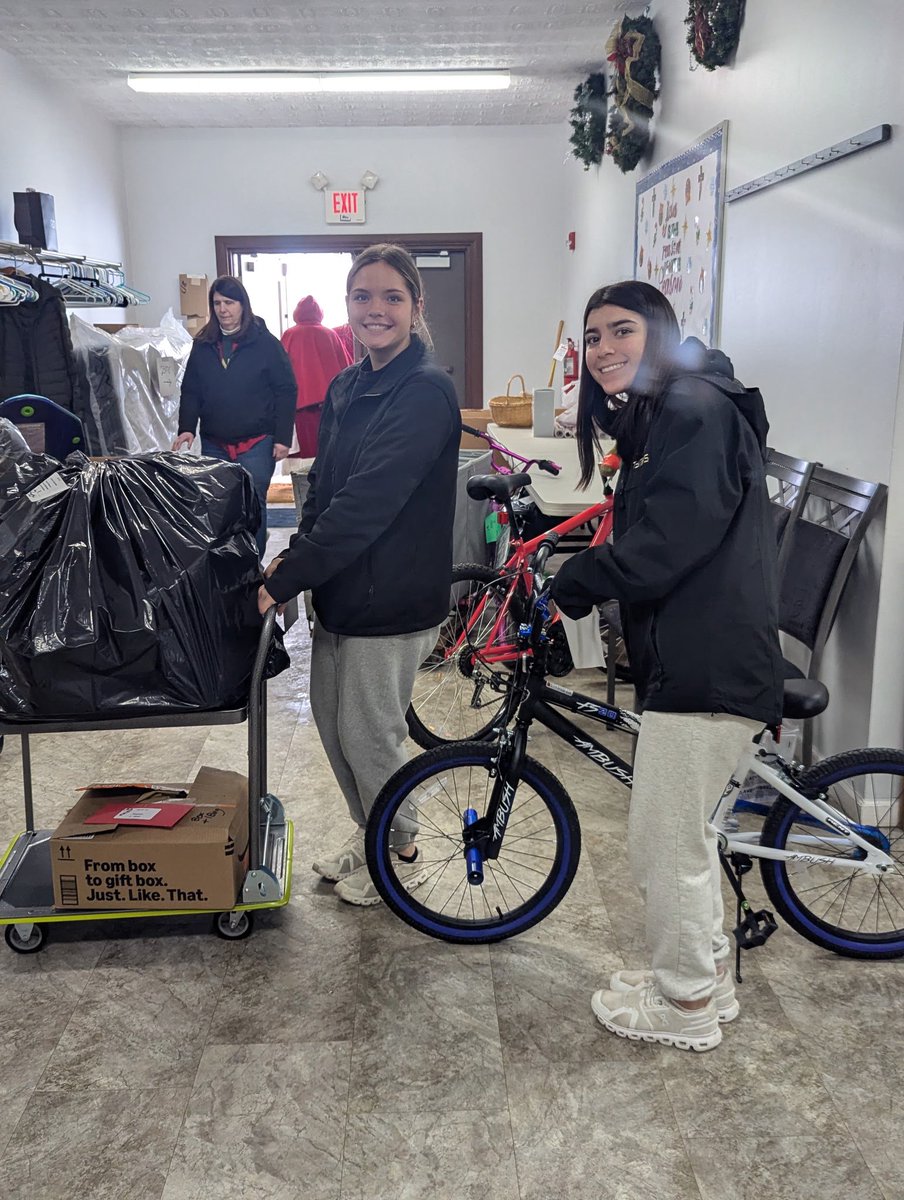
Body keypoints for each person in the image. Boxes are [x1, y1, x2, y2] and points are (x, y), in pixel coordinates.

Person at [549, 280, 783, 1052]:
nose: (604, 349)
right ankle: (703, 975)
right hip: (698, 650)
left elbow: (664, 548)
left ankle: (685, 1008)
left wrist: (576, 581)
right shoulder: (677, 406)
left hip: (708, 662)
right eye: (593, 337)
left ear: (660, 332)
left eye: (622, 331)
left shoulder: (693, 410)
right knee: (685, 835)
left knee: (665, 841)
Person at [258, 244, 461, 906]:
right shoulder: (349, 384)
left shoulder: (425, 390)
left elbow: (369, 503)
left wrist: (284, 580)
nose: (376, 309)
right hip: (343, 588)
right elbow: (324, 490)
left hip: (395, 596)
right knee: (333, 727)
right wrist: (294, 558)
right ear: (348, 307)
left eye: (391, 297)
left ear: (415, 308)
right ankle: (371, 831)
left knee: (371, 737)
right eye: (364, 297)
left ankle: (396, 851)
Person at [173, 275, 297, 557]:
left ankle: (253, 566)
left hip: (257, 442)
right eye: (217, 303)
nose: (222, 309)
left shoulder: (266, 344)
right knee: (219, 506)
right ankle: (228, 566)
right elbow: (191, 389)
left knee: (254, 505)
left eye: (229, 302)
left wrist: (282, 438)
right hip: (216, 442)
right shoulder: (204, 344)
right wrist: (187, 428)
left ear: (243, 305)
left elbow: (286, 390)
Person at [280, 295, 351, 458]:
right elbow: (347, 369)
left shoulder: (289, 335)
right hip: (328, 406)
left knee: (300, 460)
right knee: (328, 453)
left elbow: (278, 373)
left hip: (297, 409)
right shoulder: (330, 334)